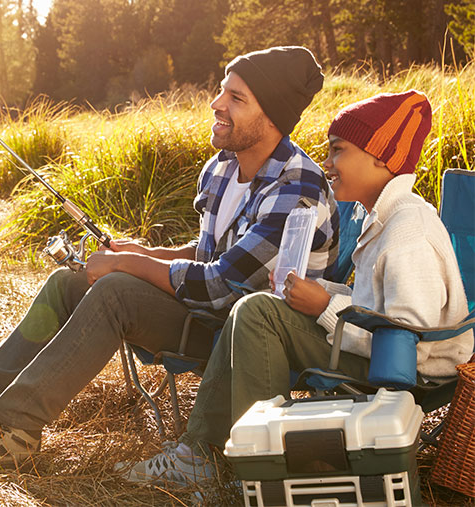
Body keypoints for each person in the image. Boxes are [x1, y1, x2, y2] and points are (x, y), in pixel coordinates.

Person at [0, 46, 339, 471]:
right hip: (203, 314)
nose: (216, 103)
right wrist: (142, 252)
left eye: (236, 98)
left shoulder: (297, 186)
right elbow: (207, 253)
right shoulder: (223, 167)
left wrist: (130, 266)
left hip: (240, 339)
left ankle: (12, 432)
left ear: (272, 117)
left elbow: (221, 286)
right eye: (222, 90)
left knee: (116, 292)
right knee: (67, 283)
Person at [122, 89, 474, 486]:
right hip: (379, 351)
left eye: (338, 151)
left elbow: (409, 337)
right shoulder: (381, 217)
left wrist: (323, 305)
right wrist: (322, 291)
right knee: (255, 307)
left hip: (409, 372)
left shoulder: (407, 230)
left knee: (258, 313)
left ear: (380, 157)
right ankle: (203, 451)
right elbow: (373, 306)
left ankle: (259, 466)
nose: (327, 163)